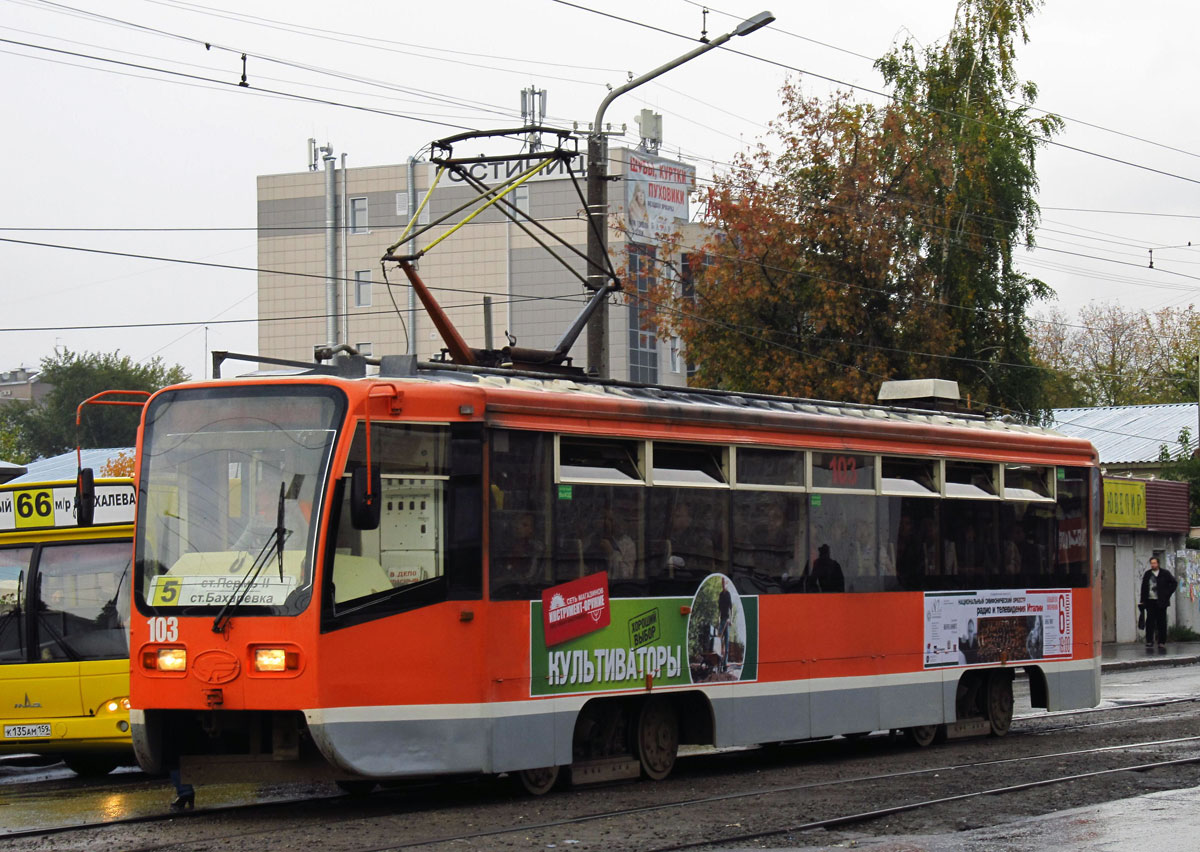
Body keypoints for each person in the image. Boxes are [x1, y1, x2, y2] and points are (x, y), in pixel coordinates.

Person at [1139, 556, 1178, 652]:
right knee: (1150, 621)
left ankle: (1161, 641)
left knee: (1162, 622)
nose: (1153, 565)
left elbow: (1174, 583)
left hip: (1161, 601)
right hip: (1150, 601)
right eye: (1151, 563)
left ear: (1158, 564)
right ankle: (1149, 640)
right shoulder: (1148, 574)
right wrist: (1143, 600)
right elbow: (1144, 587)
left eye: (1154, 563)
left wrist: (1166, 594)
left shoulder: (1165, 573)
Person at [717, 578, 733, 672]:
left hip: (727, 620)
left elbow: (731, 608)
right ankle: (718, 663)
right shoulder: (720, 595)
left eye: (724, 583)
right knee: (718, 641)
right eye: (722, 583)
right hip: (722, 620)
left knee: (726, 643)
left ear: (726, 584)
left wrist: (730, 619)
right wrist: (718, 619)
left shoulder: (728, 594)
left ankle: (724, 666)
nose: (723, 584)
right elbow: (719, 609)